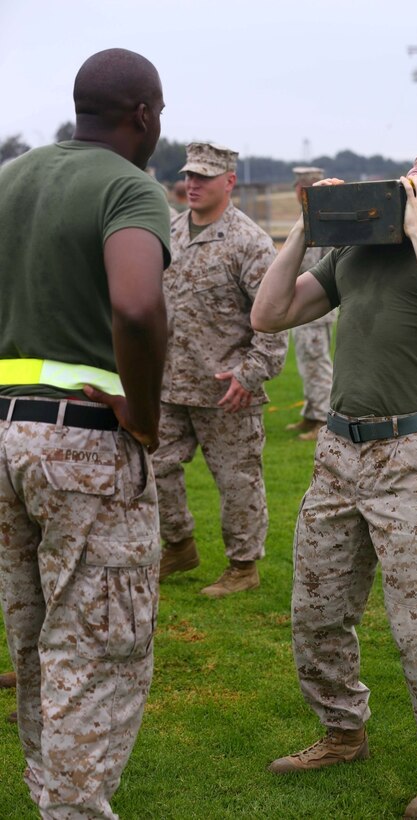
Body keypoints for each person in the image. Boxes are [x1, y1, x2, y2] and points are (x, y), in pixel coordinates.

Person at [251, 134, 417, 818]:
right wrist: (305, 226)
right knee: (317, 612)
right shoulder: (353, 252)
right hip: (337, 453)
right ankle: (340, 733)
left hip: (409, 457)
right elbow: (266, 314)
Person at [0, 48, 171, 817]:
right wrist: (144, 409)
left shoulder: (10, 179)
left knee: (34, 641)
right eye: (158, 112)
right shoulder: (128, 187)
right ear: (142, 113)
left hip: (5, 434)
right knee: (98, 650)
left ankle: (49, 797)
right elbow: (136, 306)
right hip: (84, 443)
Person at [153, 141, 288, 598]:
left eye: (204, 177)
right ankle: (178, 544)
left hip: (228, 389)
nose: (192, 184)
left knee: (237, 482)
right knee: (153, 469)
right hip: (170, 382)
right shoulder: (169, 232)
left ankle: (243, 566)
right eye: (189, 175)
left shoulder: (249, 242)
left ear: (229, 181)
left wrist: (251, 374)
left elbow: (275, 317)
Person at [285, 167, 336, 441]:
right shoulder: (309, 216)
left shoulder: (322, 220)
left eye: (300, 186)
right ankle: (310, 413)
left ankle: (322, 420)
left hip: (315, 307)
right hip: (303, 305)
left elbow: (323, 266)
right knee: (307, 361)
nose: (296, 190)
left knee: (317, 363)